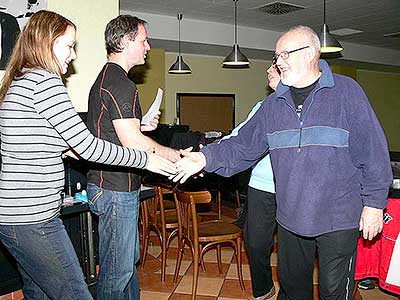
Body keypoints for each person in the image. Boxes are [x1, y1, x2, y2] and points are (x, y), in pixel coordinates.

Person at [172, 25, 392, 300]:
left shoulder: (346, 93)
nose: (278, 62)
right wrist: (204, 157)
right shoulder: (273, 105)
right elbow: (242, 145)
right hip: (291, 216)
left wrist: (373, 204)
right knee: (292, 288)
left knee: (334, 292)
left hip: (339, 216)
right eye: (276, 56)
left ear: (311, 53)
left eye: (285, 54)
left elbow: (373, 150)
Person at [0, 10, 176, 300]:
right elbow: (87, 146)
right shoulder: (45, 82)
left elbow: (64, 145)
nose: (73, 55)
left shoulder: (20, 81)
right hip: (33, 217)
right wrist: (147, 159)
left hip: (14, 216)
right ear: (47, 41)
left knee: (39, 293)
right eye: (69, 46)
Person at [85, 15, 180, 300]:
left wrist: (141, 123)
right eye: (143, 40)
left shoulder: (107, 78)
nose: (148, 46)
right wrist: (174, 155)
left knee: (127, 263)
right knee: (117, 272)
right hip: (115, 189)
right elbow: (133, 142)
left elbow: (116, 131)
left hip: (109, 186)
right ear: (126, 42)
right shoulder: (120, 83)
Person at [222, 63, 280, 300]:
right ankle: (263, 290)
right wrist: (210, 151)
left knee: (293, 249)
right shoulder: (263, 106)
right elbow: (240, 136)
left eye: (274, 67)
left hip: (292, 188)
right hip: (261, 186)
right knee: (255, 242)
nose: (268, 70)